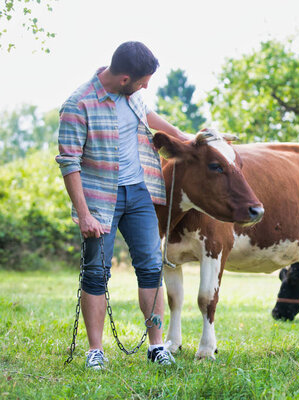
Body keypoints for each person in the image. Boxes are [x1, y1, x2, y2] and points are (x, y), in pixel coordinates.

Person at [56, 41, 189, 369]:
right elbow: (69, 163)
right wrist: (84, 215)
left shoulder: (134, 97)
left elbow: (154, 119)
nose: (147, 86)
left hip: (139, 195)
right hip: (99, 202)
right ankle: (95, 351)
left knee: (150, 268)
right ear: (125, 78)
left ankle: (156, 346)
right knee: (96, 273)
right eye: (144, 80)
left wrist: (192, 139)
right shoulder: (78, 105)